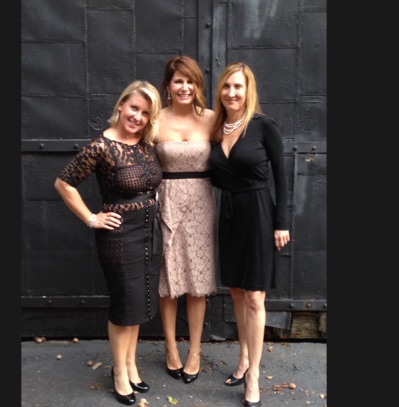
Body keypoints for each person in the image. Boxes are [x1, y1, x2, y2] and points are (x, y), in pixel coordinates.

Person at [54, 80, 163, 406]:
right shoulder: (100, 147)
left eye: (145, 113)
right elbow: (63, 183)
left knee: (139, 302)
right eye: (134, 108)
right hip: (119, 236)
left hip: (149, 231)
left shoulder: (145, 143)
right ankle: (119, 372)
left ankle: (130, 365)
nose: (138, 117)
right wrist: (91, 218)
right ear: (121, 105)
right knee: (124, 304)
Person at [208, 62, 290, 407]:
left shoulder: (263, 126)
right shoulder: (215, 128)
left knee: (255, 296)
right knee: (237, 292)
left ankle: (253, 374)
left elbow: (282, 177)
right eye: (227, 86)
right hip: (229, 215)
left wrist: (281, 222)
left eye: (238, 86)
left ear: (248, 90)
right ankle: (243, 358)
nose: (232, 93)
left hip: (258, 213)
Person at [154, 55, 217, 385]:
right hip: (166, 202)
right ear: (167, 85)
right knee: (169, 281)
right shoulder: (155, 119)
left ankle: (194, 351)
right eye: (178, 80)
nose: (184, 87)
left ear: (198, 85)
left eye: (190, 81)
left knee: (197, 281)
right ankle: (171, 348)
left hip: (201, 203)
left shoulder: (211, 118)